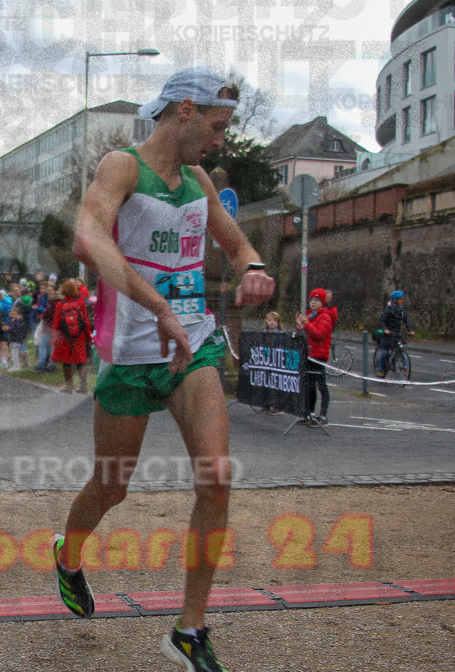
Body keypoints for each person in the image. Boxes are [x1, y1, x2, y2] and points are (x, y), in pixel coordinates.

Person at [52, 66, 274, 670]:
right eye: (216, 126)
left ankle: (189, 629)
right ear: (185, 110)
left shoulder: (199, 180)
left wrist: (255, 268)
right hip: (132, 354)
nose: (220, 141)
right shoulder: (122, 167)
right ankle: (68, 556)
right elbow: (87, 241)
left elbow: (237, 245)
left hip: (192, 349)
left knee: (216, 478)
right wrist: (159, 309)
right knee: (112, 487)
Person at [295, 289, 334, 427]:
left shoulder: (325, 317)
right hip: (308, 354)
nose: (313, 302)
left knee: (321, 385)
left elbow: (319, 334)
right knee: (309, 385)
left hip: (318, 355)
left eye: (316, 300)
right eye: (311, 300)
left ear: (322, 302)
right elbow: (303, 333)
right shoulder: (310, 315)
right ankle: (309, 413)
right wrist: (300, 326)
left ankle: (323, 415)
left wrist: (306, 325)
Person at [51, 279, 90, 392]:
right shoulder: (80, 302)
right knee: (81, 361)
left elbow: (56, 323)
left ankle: (69, 386)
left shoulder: (60, 304)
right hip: (79, 336)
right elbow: (85, 321)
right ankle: (83, 386)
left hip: (65, 337)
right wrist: (88, 336)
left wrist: (54, 339)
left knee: (66, 361)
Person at [377, 290, 414, 377]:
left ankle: (406, 368)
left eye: (403, 299)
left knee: (401, 349)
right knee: (385, 352)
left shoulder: (401, 309)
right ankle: (381, 369)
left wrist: (409, 329)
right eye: (401, 299)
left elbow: (406, 319)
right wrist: (385, 329)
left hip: (397, 333)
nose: (403, 301)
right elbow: (382, 320)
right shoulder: (388, 309)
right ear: (395, 300)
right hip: (387, 334)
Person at [261, 312, 284, 415]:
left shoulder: (281, 335)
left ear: (278, 323)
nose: (272, 322)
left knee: (276, 385)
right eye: (270, 320)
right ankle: (266, 405)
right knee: (266, 384)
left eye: (274, 320)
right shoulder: (264, 334)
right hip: (266, 362)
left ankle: (278, 406)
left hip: (276, 363)